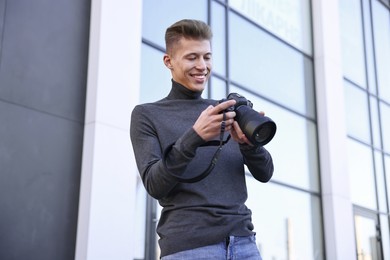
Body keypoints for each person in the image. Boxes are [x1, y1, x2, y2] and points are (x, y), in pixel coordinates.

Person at [130, 19, 274, 260]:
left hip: (244, 244)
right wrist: (194, 137)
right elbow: (155, 185)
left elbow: (266, 173)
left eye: (207, 57)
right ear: (169, 61)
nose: (202, 66)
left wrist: (248, 145)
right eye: (192, 57)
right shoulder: (147, 115)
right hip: (189, 248)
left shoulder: (226, 111)